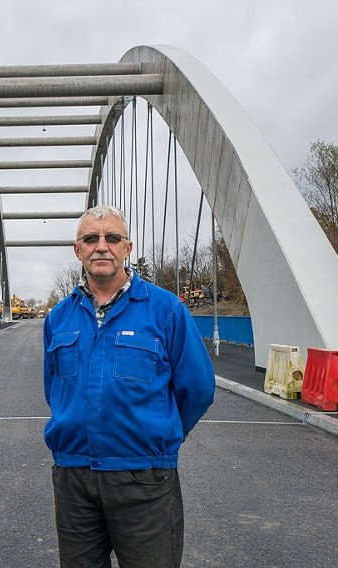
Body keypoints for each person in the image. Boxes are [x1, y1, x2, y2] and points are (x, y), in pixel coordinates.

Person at [43, 205, 215, 567]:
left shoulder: (166, 310)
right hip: (74, 477)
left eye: (112, 238)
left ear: (127, 247)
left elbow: (198, 388)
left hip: (144, 477)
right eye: (90, 238)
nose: (101, 246)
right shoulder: (59, 317)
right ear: (78, 250)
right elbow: (54, 388)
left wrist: (159, 436)